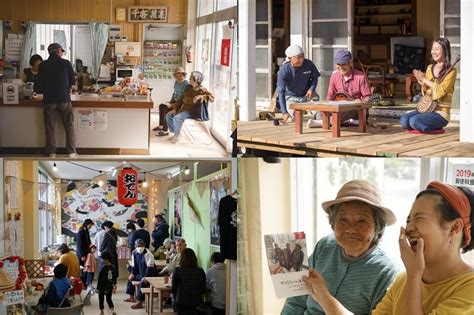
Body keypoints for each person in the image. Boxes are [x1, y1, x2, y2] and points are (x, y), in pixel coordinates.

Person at [281, 179, 400, 314]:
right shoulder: (324, 246)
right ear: (333, 222)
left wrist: (324, 296)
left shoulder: (387, 271)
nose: (350, 229)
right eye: (343, 220)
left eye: (361, 221)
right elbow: (296, 301)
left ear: (378, 227)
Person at [372, 181, 474, 314]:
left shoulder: (469, 287)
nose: (409, 228)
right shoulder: (402, 280)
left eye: (419, 218)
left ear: (454, 227)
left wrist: (414, 275)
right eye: (408, 221)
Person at [400, 38, 457, 133]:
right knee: (404, 120)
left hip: (440, 114)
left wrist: (425, 80)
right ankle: (424, 125)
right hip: (426, 109)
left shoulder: (451, 71)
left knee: (414, 121)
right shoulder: (430, 68)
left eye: (437, 49)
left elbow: (440, 92)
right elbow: (426, 93)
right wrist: (422, 82)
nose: (433, 52)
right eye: (432, 49)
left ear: (445, 50)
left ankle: (433, 127)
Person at [308, 50, 371, 128]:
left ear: (350, 62)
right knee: (321, 112)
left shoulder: (361, 77)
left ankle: (323, 122)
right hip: (338, 108)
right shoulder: (334, 76)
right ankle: (344, 122)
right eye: (338, 64)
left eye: (343, 64)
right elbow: (329, 97)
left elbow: (368, 98)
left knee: (347, 110)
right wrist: (324, 107)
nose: (340, 67)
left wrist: (361, 101)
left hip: (356, 110)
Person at [33, 43, 76, 157]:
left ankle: (51, 152)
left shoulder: (43, 65)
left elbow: (38, 86)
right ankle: (71, 151)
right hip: (64, 99)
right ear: (58, 50)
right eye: (61, 51)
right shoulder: (66, 63)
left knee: (50, 127)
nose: (62, 53)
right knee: (69, 126)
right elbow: (72, 81)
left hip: (49, 100)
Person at [165, 71, 215, 142]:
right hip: (184, 109)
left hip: (194, 112)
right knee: (169, 116)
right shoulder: (188, 87)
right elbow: (181, 98)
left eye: (191, 78)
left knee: (177, 118)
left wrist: (202, 96)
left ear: (196, 79)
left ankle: (177, 136)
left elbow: (212, 98)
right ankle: (176, 133)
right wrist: (175, 108)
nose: (189, 79)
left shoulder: (202, 89)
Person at [276, 44, 321, 123]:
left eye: (302, 56)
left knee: (319, 114)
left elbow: (315, 78)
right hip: (291, 97)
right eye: (298, 57)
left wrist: (311, 88)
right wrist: (284, 112)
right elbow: (281, 91)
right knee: (294, 119)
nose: (301, 59)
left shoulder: (308, 64)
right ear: (290, 58)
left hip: (307, 95)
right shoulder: (284, 70)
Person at [155, 67, 189, 136]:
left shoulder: (186, 84)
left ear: (184, 75)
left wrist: (173, 105)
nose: (178, 77)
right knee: (161, 106)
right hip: (174, 102)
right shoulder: (176, 82)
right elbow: (174, 94)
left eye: (180, 76)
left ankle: (165, 131)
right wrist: (170, 102)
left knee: (167, 110)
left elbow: (183, 98)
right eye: (177, 76)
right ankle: (161, 126)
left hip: (180, 105)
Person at [124, 239, 158, 309]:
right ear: (135, 246)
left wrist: (145, 277)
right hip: (140, 274)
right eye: (137, 246)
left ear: (144, 246)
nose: (139, 247)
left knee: (142, 283)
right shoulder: (134, 253)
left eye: (141, 246)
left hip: (149, 275)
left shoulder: (148, 254)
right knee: (130, 278)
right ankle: (131, 297)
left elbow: (150, 268)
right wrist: (132, 273)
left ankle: (139, 302)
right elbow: (133, 265)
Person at [172, 248, 207, 315]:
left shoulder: (177, 271)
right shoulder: (200, 271)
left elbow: (173, 289)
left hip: (181, 303)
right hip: (196, 303)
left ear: (181, 259)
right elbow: (203, 290)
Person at [76, 218, 93, 284]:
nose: (90, 227)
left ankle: (85, 283)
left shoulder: (86, 231)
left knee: (86, 268)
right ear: (86, 224)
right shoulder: (81, 232)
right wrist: (82, 255)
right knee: (82, 269)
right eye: (90, 225)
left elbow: (88, 242)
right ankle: (82, 283)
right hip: (82, 254)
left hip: (86, 252)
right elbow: (79, 245)